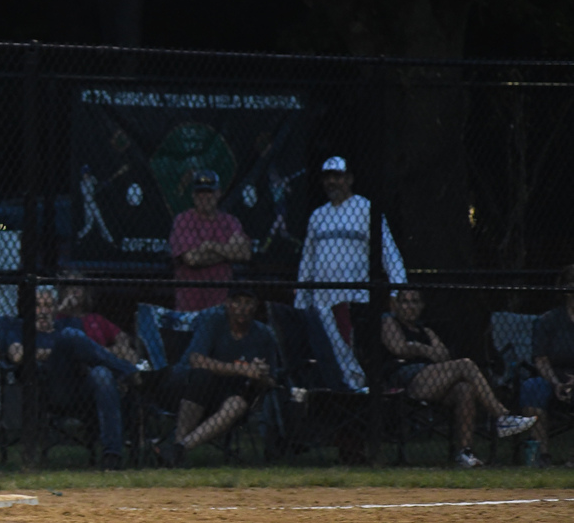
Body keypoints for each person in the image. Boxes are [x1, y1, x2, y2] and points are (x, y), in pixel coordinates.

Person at [381, 289, 533, 469]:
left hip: (432, 377)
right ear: (396, 305)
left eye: (415, 302)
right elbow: (399, 349)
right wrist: (426, 350)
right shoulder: (389, 322)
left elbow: (443, 356)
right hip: (405, 379)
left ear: (422, 306)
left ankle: (465, 453)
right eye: (405, 302)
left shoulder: (426, 331)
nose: (410, 306)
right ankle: (501, 416)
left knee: (465, 389)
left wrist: (416, 347)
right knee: (466, 365)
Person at [294, 157, 406, 390]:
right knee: (328, 354)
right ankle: (342, 395)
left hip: (353, 301)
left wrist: (397, 290)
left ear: (349, 179)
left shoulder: (365, 209)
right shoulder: (318, 216)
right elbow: (307, 261)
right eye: (328, 177)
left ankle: (357, 393)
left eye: (337, 176)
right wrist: (301, 302)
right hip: (321, 302)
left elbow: (388, 251)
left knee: (352, 352)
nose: (332, 182)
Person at [10, 286, 140, 470]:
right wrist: (53, 352)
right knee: (70, 336)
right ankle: (129, 371)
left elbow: (88, 353)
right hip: (49, 387)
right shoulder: (19, 327)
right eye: (37, 305)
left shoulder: (67, 323)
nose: (43, 311)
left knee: (102, 374)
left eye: (48, 305)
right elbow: (16, 354)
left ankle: (112, 456)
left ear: (56, 308)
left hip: (78, 386)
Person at [163, 285, 281, 465]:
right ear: (227, 304)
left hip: (233, 392)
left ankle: (179, 449)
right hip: (195, 390)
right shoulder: (213, 320)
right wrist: (242, 370)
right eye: (237, 302)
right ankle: (178, 449)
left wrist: (260, 375)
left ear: (255, 306)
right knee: (202, 377)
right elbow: (196, 360)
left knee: (238, 404)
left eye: (248, 303)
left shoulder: (264, 334)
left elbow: (271, 380)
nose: (242, 308)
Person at [169, 169, 251, 311]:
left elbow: (244, 254)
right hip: (190, 306)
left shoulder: (230, 221)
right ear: (193, 195)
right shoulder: (183, 220)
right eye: (200, 192)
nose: (205, 197)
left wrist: (210, 246)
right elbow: (192, 259)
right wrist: (227, 253)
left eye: (209, 192)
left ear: (218, 193)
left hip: (220, 305)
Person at [520, 264, 574, 467]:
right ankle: (541, 455)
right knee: (532, 387)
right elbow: (540, 359)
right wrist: (555, 383)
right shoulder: (549, 320)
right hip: (552, 376)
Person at [56, 277, 143, 365]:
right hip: (77, 361)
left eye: (78, 287)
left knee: (125, 350)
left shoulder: (95, 318)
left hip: (102, 358)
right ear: (64, 292)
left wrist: (118, 346)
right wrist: (63, 307)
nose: (74, 290)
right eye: (70, 287)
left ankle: (137, 373)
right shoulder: (58, 317)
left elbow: (122, 336)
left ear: (85, 292)